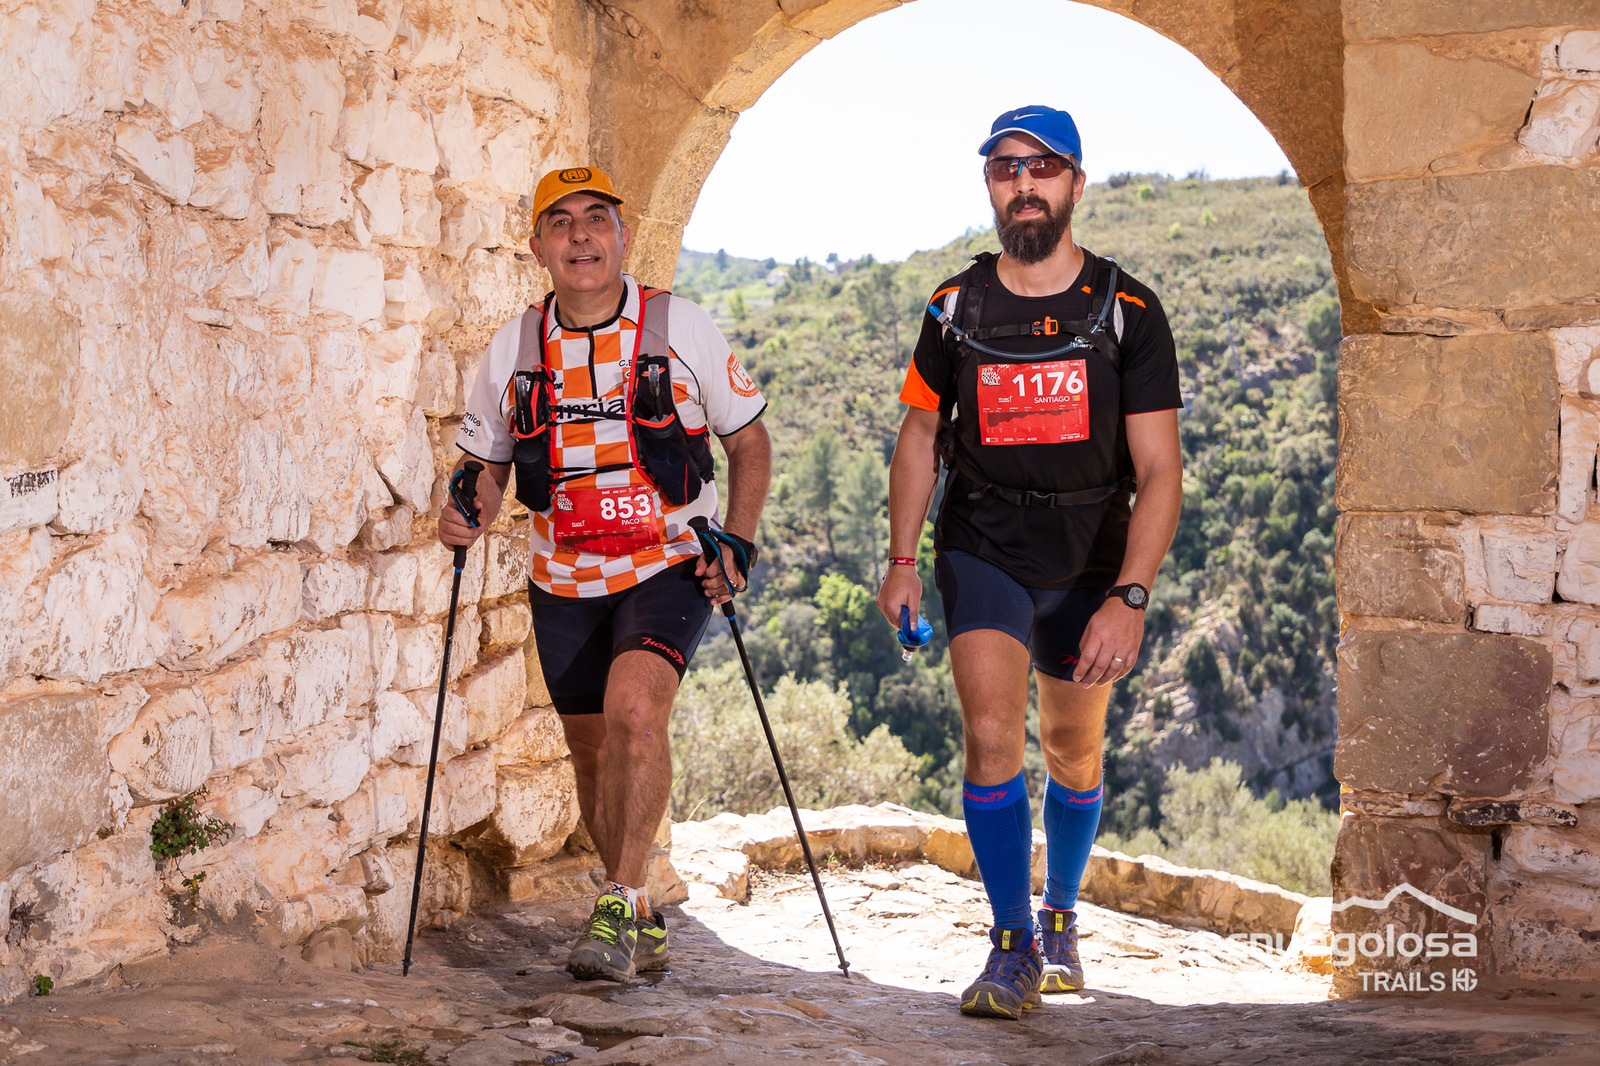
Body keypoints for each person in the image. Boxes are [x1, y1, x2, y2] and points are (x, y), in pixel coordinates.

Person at [876, 106, 1183, 1019]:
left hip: (1091, 562)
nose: (1024, 184)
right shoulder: (953, 308)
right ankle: (1011, 943)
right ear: (990, 186)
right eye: (1006, 168)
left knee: (1072, 751)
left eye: (1043, 168)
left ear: (1076, 183)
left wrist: (1130, 597)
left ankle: (1060, 914)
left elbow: (1161, 472)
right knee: (991, 736)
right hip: (985, 547)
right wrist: (901, 559)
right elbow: (920, 434)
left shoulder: (1129, 311)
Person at [440, 165, 772, 982]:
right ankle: (640, 911)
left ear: (623, 236)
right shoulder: (515, 346)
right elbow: (487, 465)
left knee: (635, 712)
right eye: (562, 222)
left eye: (597, 218)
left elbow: (748, 439)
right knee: (589, 751)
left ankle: (618, 902)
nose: (581, 235)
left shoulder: (678, 326)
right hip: (562, 576)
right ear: (538, 247)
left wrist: (737, 541)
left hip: (668, 560)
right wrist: (468, 508)